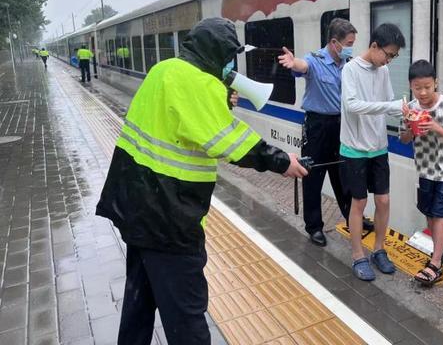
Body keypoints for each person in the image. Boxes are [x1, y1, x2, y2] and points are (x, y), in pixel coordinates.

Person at [95, 17, 308, 345]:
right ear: (216, 53)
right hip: (169, 217)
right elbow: (234, 144)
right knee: (188, 317)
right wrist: (284, 162)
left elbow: (182, 124)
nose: (228, 64)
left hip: (134, 206)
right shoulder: (200, 84)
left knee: (139, 302)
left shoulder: (163, 70)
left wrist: (218, 103)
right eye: (227, 57)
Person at [278, 18, 372, 247]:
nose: (351, 47)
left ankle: (353, 217)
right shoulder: (315, 60)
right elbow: (303, 66)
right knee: (312, 176)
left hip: (342, 125)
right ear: (334, 42)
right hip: (318, 126)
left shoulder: (348, 63)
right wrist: (293, 62)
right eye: (348, 42)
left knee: (344, 175)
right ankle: (314, 226)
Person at [340, 22, 405, 281]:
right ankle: (358, 255)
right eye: (388, 54)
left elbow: (389, 104)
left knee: (384, 200)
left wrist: (406, 109)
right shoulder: (350, 69)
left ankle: (379, 249)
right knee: (359, 202)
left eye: (394, 56)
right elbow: (353, 105)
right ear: (374, 46)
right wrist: (388, 106)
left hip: (379, 146)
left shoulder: (383, 71)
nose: (389, 61)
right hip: (354, 148)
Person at [399, 60, 443, 285]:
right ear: (411, 86)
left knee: (439, 215)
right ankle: (440, 253)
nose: (423, 92)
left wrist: (436, 128)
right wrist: (411, 127)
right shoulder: (411, 107)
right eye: (418, 88)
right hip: (426, 168)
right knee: (429, 212)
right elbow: (403, 139)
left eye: (427, 87)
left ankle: (436, 263)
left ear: (435, 83)